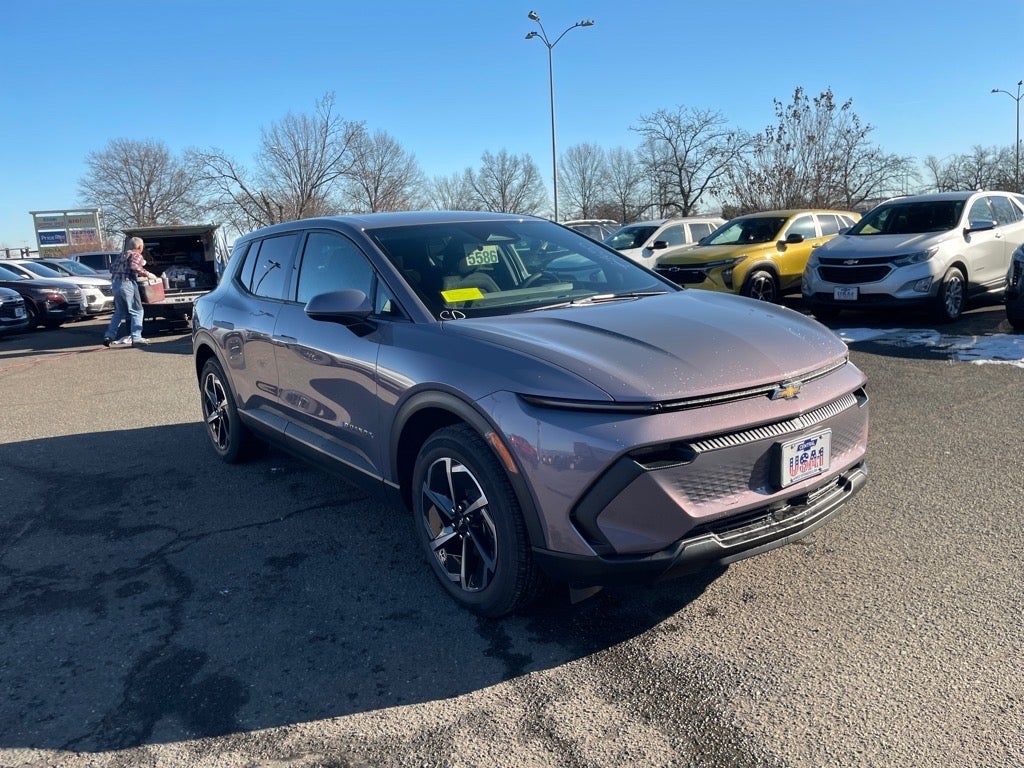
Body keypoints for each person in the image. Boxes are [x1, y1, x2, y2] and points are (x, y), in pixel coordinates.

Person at [102, 236, 156, 347]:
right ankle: (136, 338)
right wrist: (148, 274)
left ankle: (109, 336)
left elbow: (111, 269)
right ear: (140, 247)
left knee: (119, 312)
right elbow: (134, 266)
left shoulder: (121, 255)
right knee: (137, 310)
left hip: (116, 284)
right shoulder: (136, 255)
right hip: (128, 284)